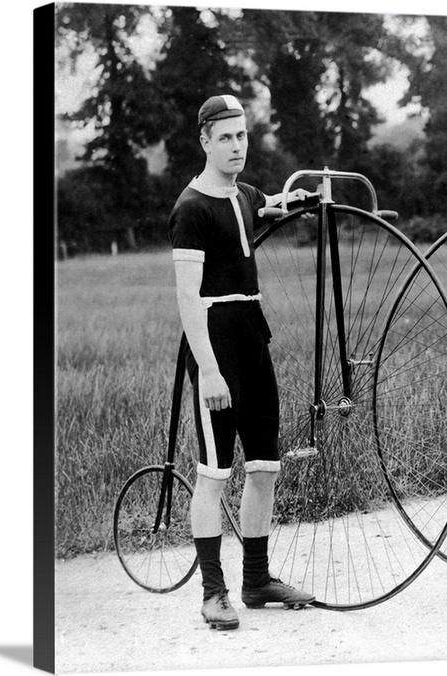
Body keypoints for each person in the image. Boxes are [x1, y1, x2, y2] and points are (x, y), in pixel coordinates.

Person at [169, 94, 318, 630]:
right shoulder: (191, 209)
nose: (237, 146)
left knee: (265, 468)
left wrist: (288, 199)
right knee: (214, 473)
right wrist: (208, 369)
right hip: (215, 344)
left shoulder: (245, 193)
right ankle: (213, 592)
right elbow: (188, 298)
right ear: (205, 140)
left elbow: (262, 207)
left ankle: (257, 580)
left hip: (253, 336)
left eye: (243, 136)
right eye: (226, 137)